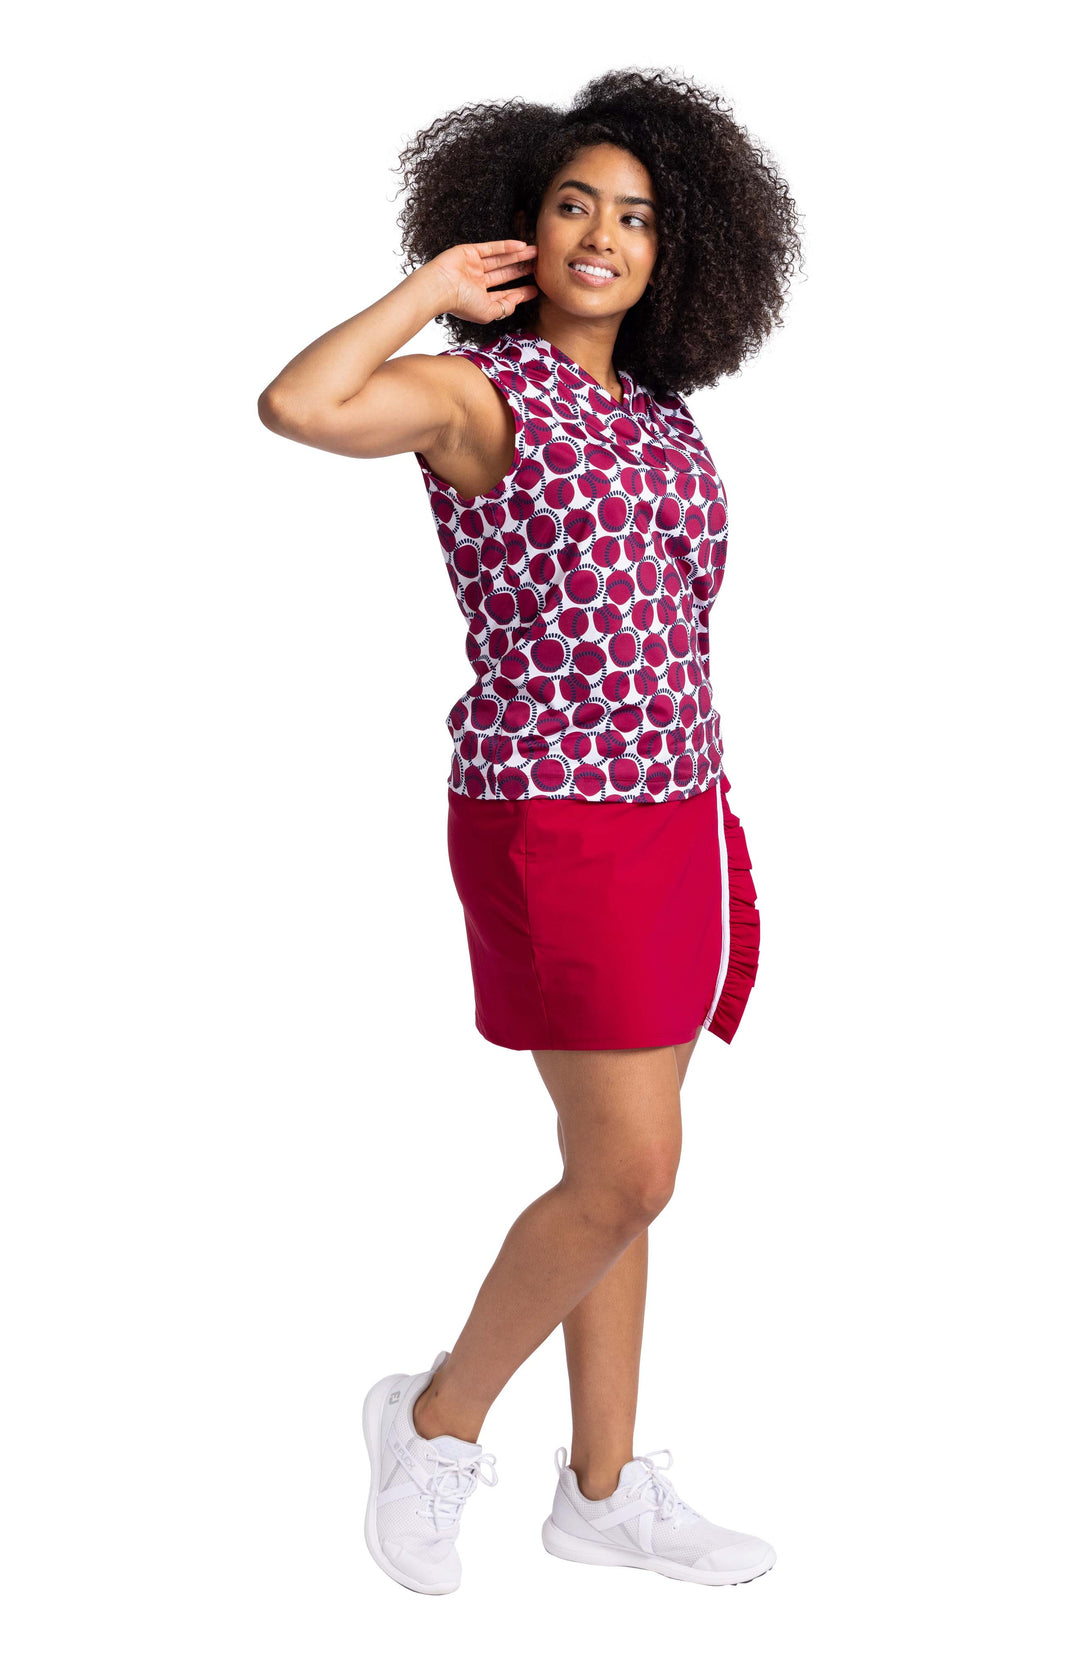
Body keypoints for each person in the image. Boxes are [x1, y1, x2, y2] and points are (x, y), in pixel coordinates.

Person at [257, 66, 803, 1597]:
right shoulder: (478, 392)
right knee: (627, 1171)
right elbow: (300, 405)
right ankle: (433, 1423)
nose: (603, 235)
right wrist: (426, 290)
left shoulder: (665, 417)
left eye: (635, 216)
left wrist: (701, 806)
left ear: (676, 251)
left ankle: (606, 1490)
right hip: (555, 814)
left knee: (620, 1163)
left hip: (682, 813)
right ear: (522, 225)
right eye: (575, 204)